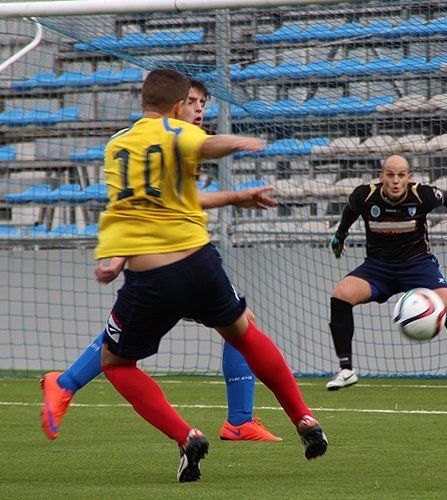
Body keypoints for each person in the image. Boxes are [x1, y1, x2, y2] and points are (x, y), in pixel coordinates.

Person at [92, 68, 327, 482]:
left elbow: (132, 209)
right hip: (200, 263)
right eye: (193, 104)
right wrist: (239, 142)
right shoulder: (178, 134)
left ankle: (187, 436)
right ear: (180, 106)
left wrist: (116, 256)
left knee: (116, 363)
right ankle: (303, 417)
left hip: (152, 276)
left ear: (141, 100)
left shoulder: (116, 148)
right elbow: (207, 145)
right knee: (243, 332)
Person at [40, 80, 282, 443]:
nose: (199, 109)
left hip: (186, 256)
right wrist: (119, 254)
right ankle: (239, 421)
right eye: (192, 102)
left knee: (126, 341)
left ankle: (65, 383)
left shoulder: (184, 141)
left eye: (203, 103)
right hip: (167, 260)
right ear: (175, 106)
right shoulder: (152, 141)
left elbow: (176, 200)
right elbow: (134, 206)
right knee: (129, 345)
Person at [325, 154, 447, 390]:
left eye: (401, 175)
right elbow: (350, 210)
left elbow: (446, 197)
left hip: (417, 265)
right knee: (341, 295)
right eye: (390, 175)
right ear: (382, 177)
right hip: (378, 267)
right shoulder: (365, 195)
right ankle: (346, 369)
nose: (395, 181)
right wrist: (340, 234)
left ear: (409, 178)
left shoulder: (422, 195)